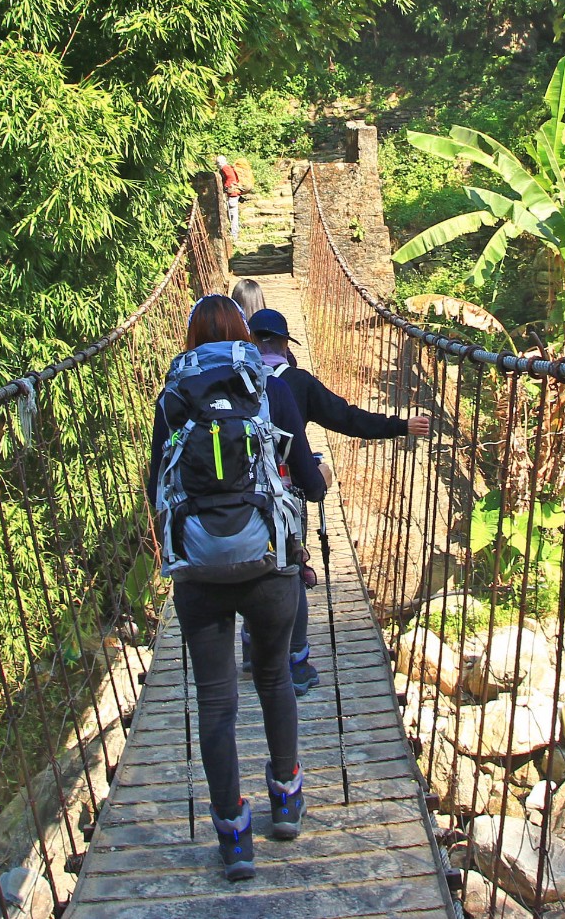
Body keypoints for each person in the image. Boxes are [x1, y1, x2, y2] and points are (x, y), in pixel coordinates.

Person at [150, 295, 326, 880]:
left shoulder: (174, 396)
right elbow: (302, 474)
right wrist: (316, 484)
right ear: (245, 337)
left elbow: (158, 486)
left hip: (199, 569)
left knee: (216, 703)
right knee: (275, 678)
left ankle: (233, 838)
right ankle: (287, 800)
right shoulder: (269, 383)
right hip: (267, 562)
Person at [243, 306, 430, 694]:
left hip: (237, 497)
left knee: (251, 567)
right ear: (283, 343)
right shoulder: (295, 382)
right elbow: (346, 418)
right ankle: (295, 665)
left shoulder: (228, 379)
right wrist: (401, 426)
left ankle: (252, 649)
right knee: (289, 572)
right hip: (283, 494)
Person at [216, 155, 242, 242]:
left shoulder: (225, 168)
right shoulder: (229, 167)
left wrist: (225, 188)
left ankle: (234, 234)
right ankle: (235, 231)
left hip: (232, 194)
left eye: (218, 163)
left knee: (232, 215)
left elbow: (231, 178)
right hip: (235, 193)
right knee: (233, 214)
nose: (217, 165)